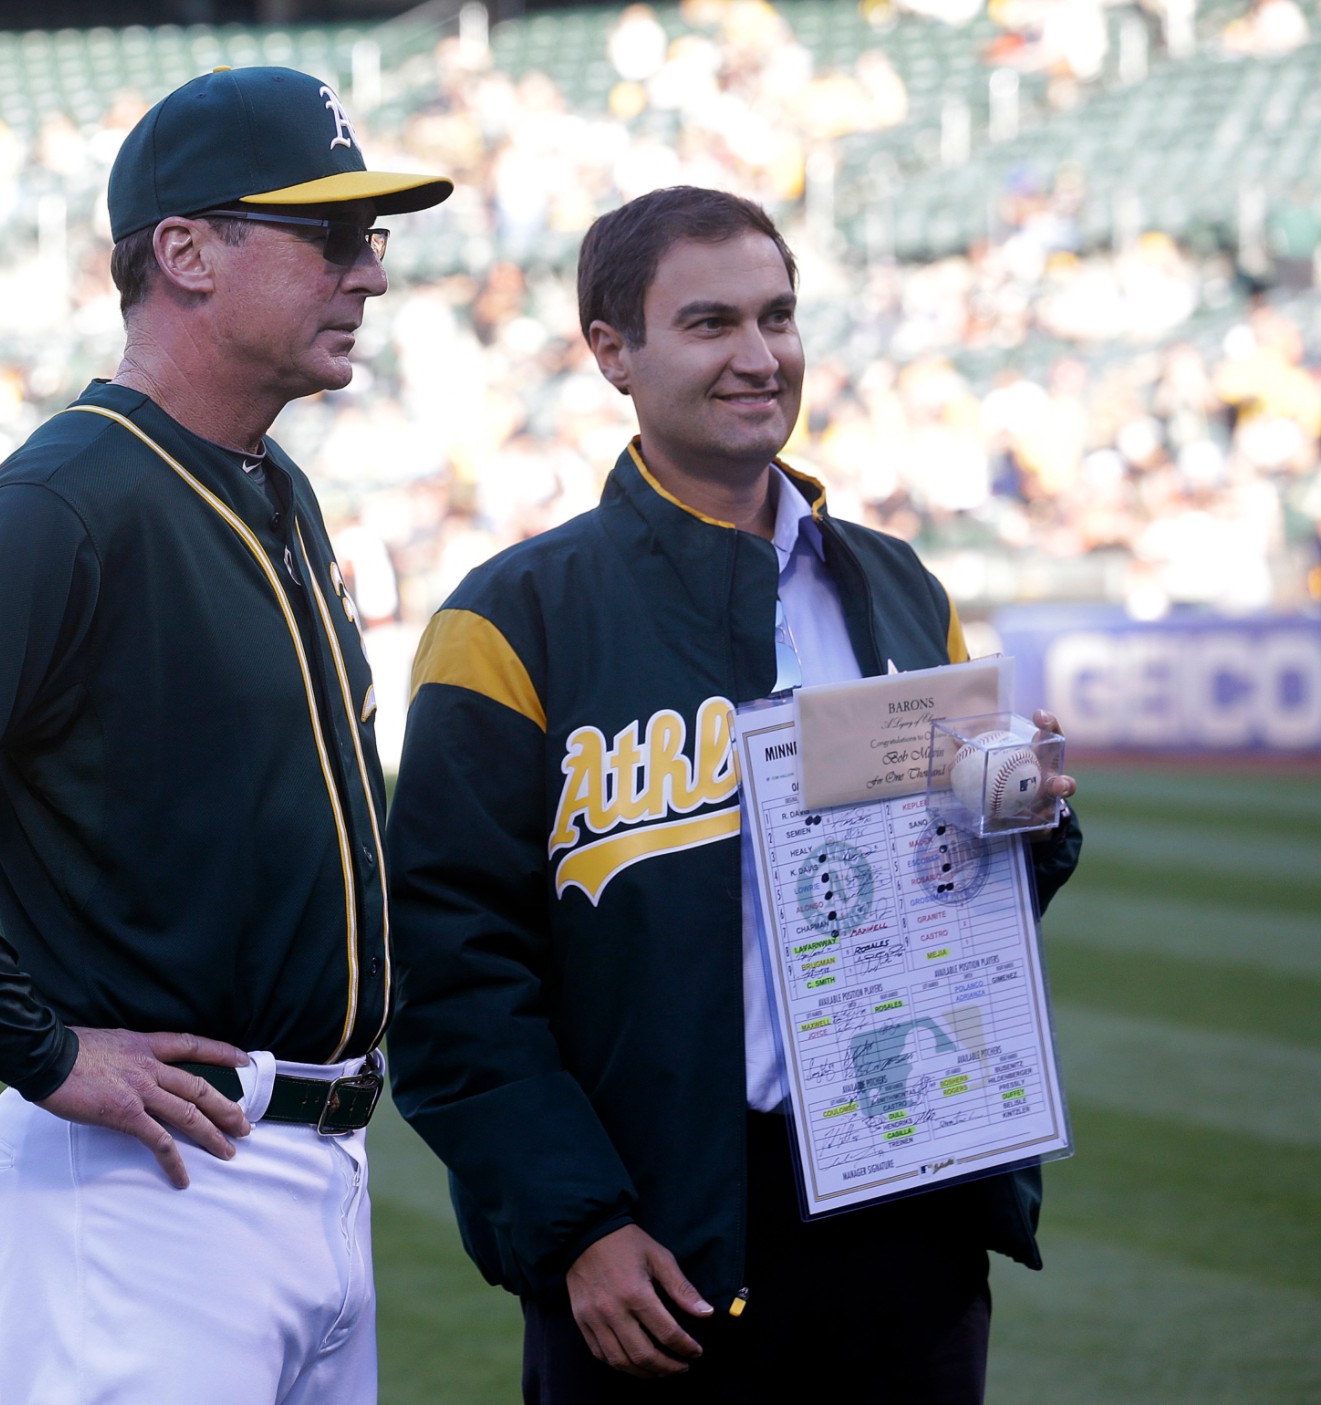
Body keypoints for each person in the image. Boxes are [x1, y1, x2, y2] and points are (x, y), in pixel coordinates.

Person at [0, 66, 449, 1405]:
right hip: (155, 1193)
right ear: (187, 253)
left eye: (374, 239)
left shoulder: (270, 484)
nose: (368, 272)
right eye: (331, 237)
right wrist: (43, 1049)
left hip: (307, 1165)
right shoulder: (74, 494)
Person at [384, 186, 1084, 1404]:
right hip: (653, 1247)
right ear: (613, 350)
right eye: (710, 323)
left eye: (779, 316)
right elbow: (447, 974)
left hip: (904, 1210)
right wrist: (577, 1226)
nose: (759, 358)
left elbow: (964, 900)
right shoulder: (510, 619)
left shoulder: (901, 586)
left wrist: (1031, 817)